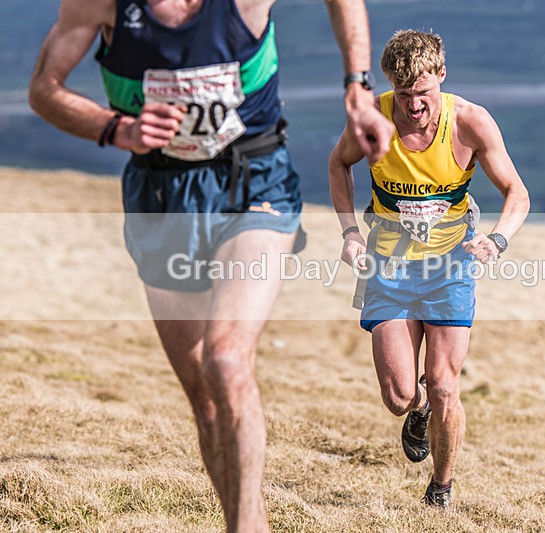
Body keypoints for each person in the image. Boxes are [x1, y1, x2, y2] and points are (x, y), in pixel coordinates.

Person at [29, 0, 394, 530]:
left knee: (226, 358)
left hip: (255, 181)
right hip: (161, 195)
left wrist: (358, 90)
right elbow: (44, 88)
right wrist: (119, 128)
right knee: (204, 392)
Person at [328, 30, 530, 508]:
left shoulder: (471, 122)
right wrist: (350, 233)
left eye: (423, 94)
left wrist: (498, 239)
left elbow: (517, 193)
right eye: (403, 95)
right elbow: (339, 165)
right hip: (390, 264)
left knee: (443, 383)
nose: (414, 106)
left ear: (441, 75)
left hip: (450, 266)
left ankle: (440, 488)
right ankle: (416, 412)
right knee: (399, 395)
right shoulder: (372, 118)